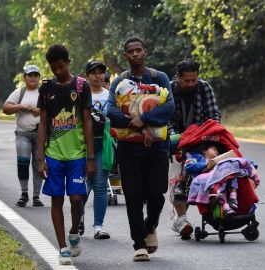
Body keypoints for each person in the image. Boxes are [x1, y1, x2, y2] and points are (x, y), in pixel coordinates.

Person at [107, 36, 174, 261]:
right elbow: (110, 111)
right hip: (128, 149)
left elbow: (169, 107)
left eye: (138, 50)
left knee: (157, 193)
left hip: (157, 147)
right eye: (130, 51)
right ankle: (139, 244)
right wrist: (134, 123)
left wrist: (143, 118)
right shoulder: (119, 82)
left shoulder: (159, 78)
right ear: (125, 56)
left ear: (145, 52)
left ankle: (150, 224)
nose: (135, 54)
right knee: (133, 197)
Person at [37, 44, 95, 265]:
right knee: (57, 199)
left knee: (77, 198)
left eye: (60, 66)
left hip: (78, 154)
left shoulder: (81, 86)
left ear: (68, 62)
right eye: (53, 68)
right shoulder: (46, 88)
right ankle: (63, 248)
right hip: (53, 154)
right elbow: (43, 123)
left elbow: (87, 120)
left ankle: (74, 231)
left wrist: (90, 156)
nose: (57, 71)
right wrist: (40, 158)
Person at [169, 59, 222, 238]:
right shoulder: (169, 89)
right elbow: (165, 120)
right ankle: (182, 220)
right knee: (179, 181)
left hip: (202, 140)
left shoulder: (204, 87)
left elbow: (214, 115)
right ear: (178, 78)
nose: (191, 84)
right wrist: (177, 138)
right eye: (187, 80)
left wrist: (208, 135)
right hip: (177, 142)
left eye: (194, 80)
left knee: (210, 174)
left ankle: (218, 209)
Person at [3, 64, 44, 207]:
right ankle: (24, 193)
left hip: (40, 134)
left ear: (39, 77)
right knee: (23, 163)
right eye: (30, 75)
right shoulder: (19, 92)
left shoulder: (44, 92)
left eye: (35, 75)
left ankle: (36, 196)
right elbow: (6, 108)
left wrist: (41, 110)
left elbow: (54, 109)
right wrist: (21, 106)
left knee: (38, 164)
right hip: (23, 134)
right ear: (24, 77)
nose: (33, 78)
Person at [81, 60, 111, 239]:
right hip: (83, 146)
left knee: (100, 186)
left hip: (103, 146)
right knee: (82, 186)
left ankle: (98, 226)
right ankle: (78, 219)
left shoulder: (110, 96)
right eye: (93, 73)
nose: (98, 76)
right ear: (87, 76)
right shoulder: (80, 95)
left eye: (101, 72)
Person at [184, 143, 238, 215]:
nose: (217, 152)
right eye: (214, 149)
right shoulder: (195, 157)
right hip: (205, 179)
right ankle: (226, 207)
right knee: (219, 185)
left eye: (217, 151)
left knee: (232, 170)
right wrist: (205, 164)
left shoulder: (219, 158)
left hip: (220, 178)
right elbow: (188, 166)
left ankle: (233, 197)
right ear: (204, 151)